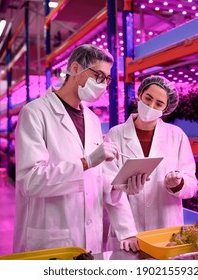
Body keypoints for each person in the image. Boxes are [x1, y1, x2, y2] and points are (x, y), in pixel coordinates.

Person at [13, 44, 141, 253]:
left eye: (106, 80)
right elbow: (30, 182)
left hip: (89, 235)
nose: (102, 85)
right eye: (98, 75)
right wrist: (86, 162)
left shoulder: (92, 119)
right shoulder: (35, 113)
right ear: (74, 68)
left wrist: (119, 186)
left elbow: (98, 179)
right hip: (52, 235)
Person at [104, 75, 198, 250]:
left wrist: (178, 184)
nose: (151, 106)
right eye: (148, 99)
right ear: (140, 94)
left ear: (166, 108)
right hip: (127, 233)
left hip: (165, 229)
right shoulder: (115, 134)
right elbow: (106, 184)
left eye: (159, 104)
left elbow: (192, 185)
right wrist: (120, 188)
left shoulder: (176, 136)